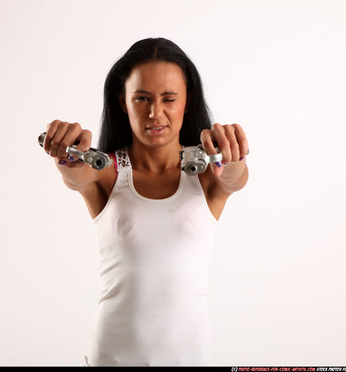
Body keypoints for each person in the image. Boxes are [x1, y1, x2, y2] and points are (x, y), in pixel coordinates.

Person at [42, 37, 249, 366]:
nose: (155, 113)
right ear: (123, 101)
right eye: (141, 98)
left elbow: (234, 177)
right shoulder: (105, 172)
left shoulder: (207, 173)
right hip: (112, 357)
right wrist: (67, 157)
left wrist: (233, 156)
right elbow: (77, 175)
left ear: (187, 101)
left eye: (169, 98)